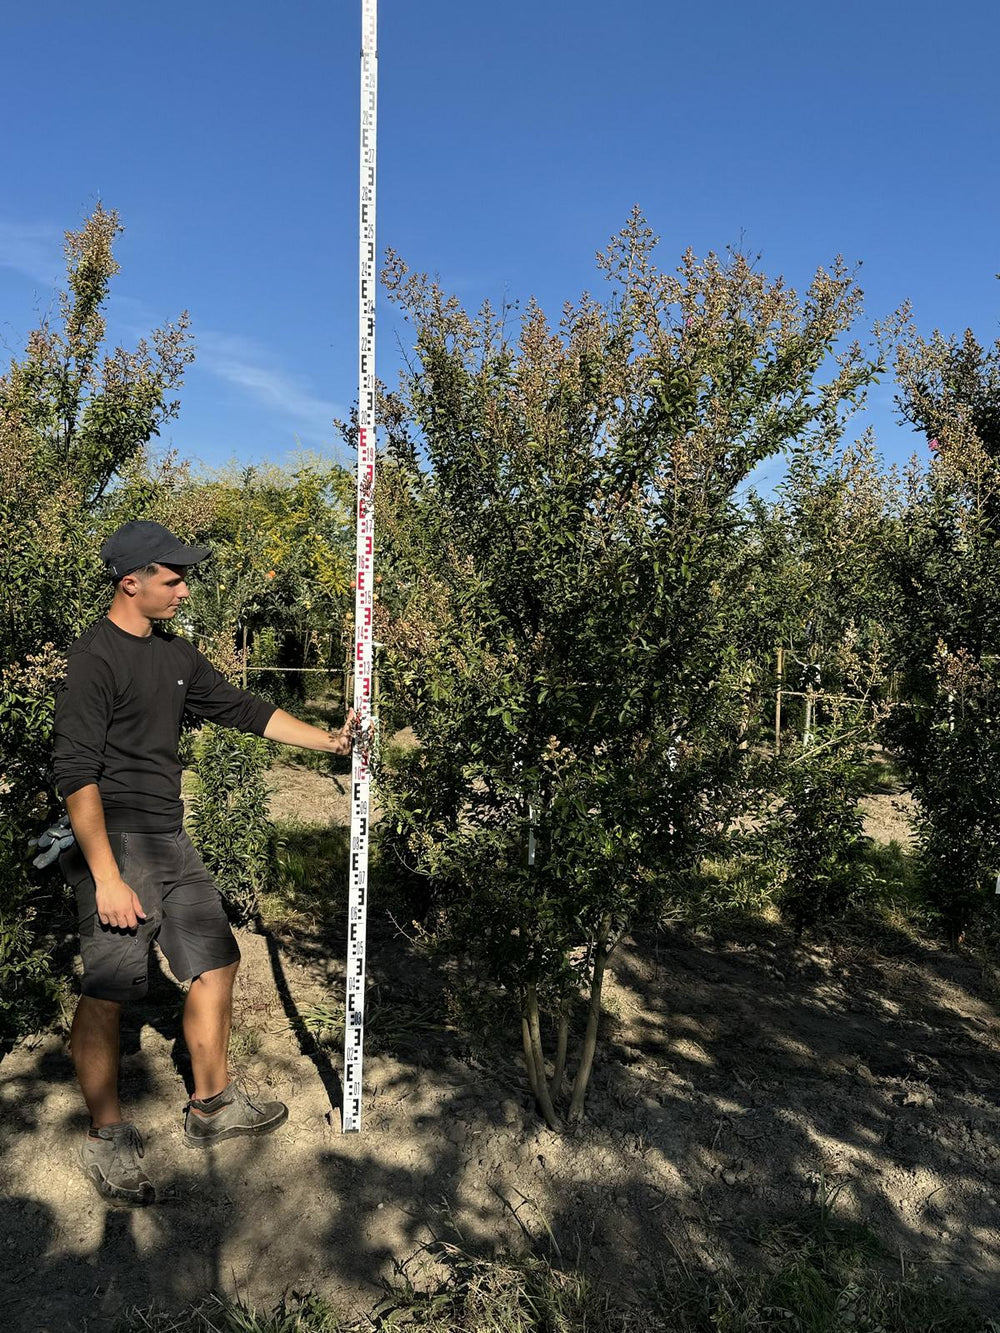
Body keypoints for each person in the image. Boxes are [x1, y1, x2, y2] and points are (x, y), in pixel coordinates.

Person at [52, 520, 354, 1206]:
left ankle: (212, 1105)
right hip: (117, 841)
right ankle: (107, 1138)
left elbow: (246, 710)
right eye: (173, 577)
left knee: (217, 962)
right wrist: (104, 875)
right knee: (110, 988)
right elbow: (76, 775)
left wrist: (330, 742)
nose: (185, 589)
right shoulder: (93, 658)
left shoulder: (177, 656)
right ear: (131, 582)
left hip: (170, 835)